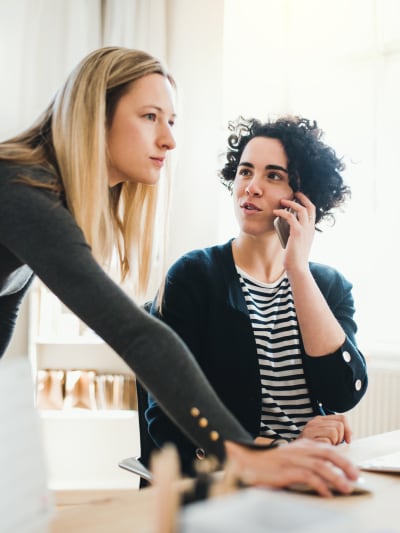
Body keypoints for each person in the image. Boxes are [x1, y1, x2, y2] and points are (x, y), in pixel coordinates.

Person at [0, 48, 359, 498]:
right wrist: (244, 454)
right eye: (151, 116)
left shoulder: (38, 194)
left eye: (171, 121)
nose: (169, 140)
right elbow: (136, 336)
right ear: (94, 114)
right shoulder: (20, 188)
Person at [146, 115, 368, 477]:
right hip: (231, 480)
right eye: (245, 172)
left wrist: (298, 270)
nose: (251, 187)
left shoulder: (329, 287)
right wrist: (279, 451)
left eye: (273, 175)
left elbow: (345, 393)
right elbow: (166, 416)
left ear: (304, 196)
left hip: (307, 476)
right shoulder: (193, 276)